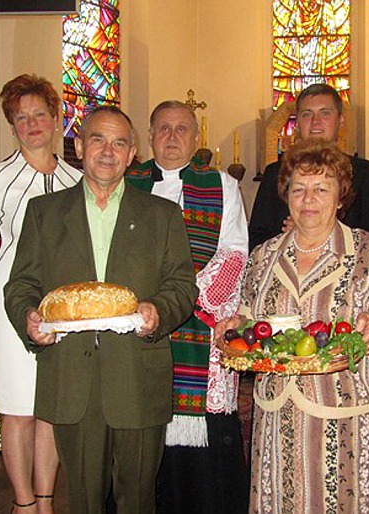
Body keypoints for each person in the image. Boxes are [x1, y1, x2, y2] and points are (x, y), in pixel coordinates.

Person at [4, 106, 199, 514]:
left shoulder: (162, 215)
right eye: (98, 139)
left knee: (138, 500)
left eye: (119, 143)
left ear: (132, 154)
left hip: (137, 376)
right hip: (71, 378)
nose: (108, 151)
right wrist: (30, 319)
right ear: (78, 147)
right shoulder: (44, 212)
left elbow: (182, 286)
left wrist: (157, 311)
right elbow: (20, 285)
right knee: (84, 501)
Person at [216, 138, 369, 513]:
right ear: (286, 195)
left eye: (321, 188)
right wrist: (234, 325)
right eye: (298, 189)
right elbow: (248, 320)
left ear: (340, 197)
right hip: (278, 415)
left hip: (345, 417)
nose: (308, 199)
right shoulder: (264, 256)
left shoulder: (368, 250)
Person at [0, 74, 83, 514]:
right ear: (12, 126)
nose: (32, 124)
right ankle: (23, 503)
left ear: (56, 118)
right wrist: (3, 303)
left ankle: (46, 501)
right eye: (21, 118)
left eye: (39, 114)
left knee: (50, 407)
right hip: (14, 306)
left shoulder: (77, 178)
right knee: (18, 408)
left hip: (65, 309)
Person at [126, 100, 249, 513]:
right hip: (137, 324)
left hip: (201, 321)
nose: (172, 136)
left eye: (182, 129)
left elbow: (234, 252)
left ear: (197, 138)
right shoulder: (128, 183)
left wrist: (181, 298)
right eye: (163, 128)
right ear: (149, 137)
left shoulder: (221, 185)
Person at [248, 83, 369, 252]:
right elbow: (256, 241)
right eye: (306, 114)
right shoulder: (275, 173)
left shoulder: (366, 174)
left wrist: (322, 232)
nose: (315, 122)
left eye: (325, 113)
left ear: (340, 120)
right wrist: (290, 236)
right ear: (297, 123)